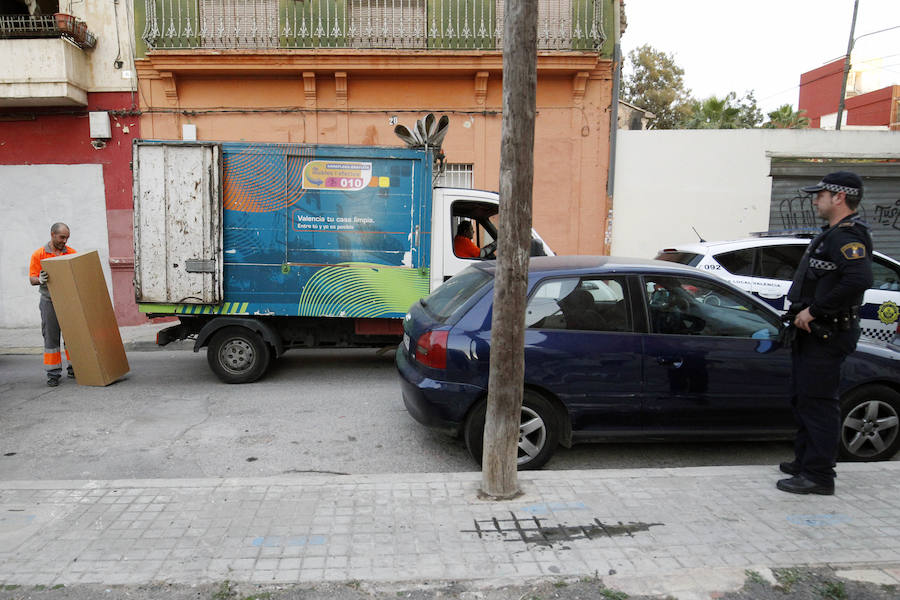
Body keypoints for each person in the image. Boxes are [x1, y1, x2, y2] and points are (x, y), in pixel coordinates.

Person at [777, 172, 873, 495]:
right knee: (804, 399)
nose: (815, 199)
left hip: (827, 333)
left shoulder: (848, 237)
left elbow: (858, 281)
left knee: (818, 403)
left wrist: (815, 310)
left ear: (839, 197)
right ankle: (805, 461)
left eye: (821, 194)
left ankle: (818, 475)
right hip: (813, 334)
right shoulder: (831, 234)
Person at [28, 222, 76, 387]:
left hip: (67, 300)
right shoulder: (39, 254)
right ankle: (53, 373)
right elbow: (32, 278)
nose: (65, 241)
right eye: (62, 237)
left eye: (67, 238)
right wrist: (39, 279)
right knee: (51, 337)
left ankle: (74, 367)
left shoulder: (71, 253)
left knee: (72, 335)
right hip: (48, 301)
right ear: (53, 234)